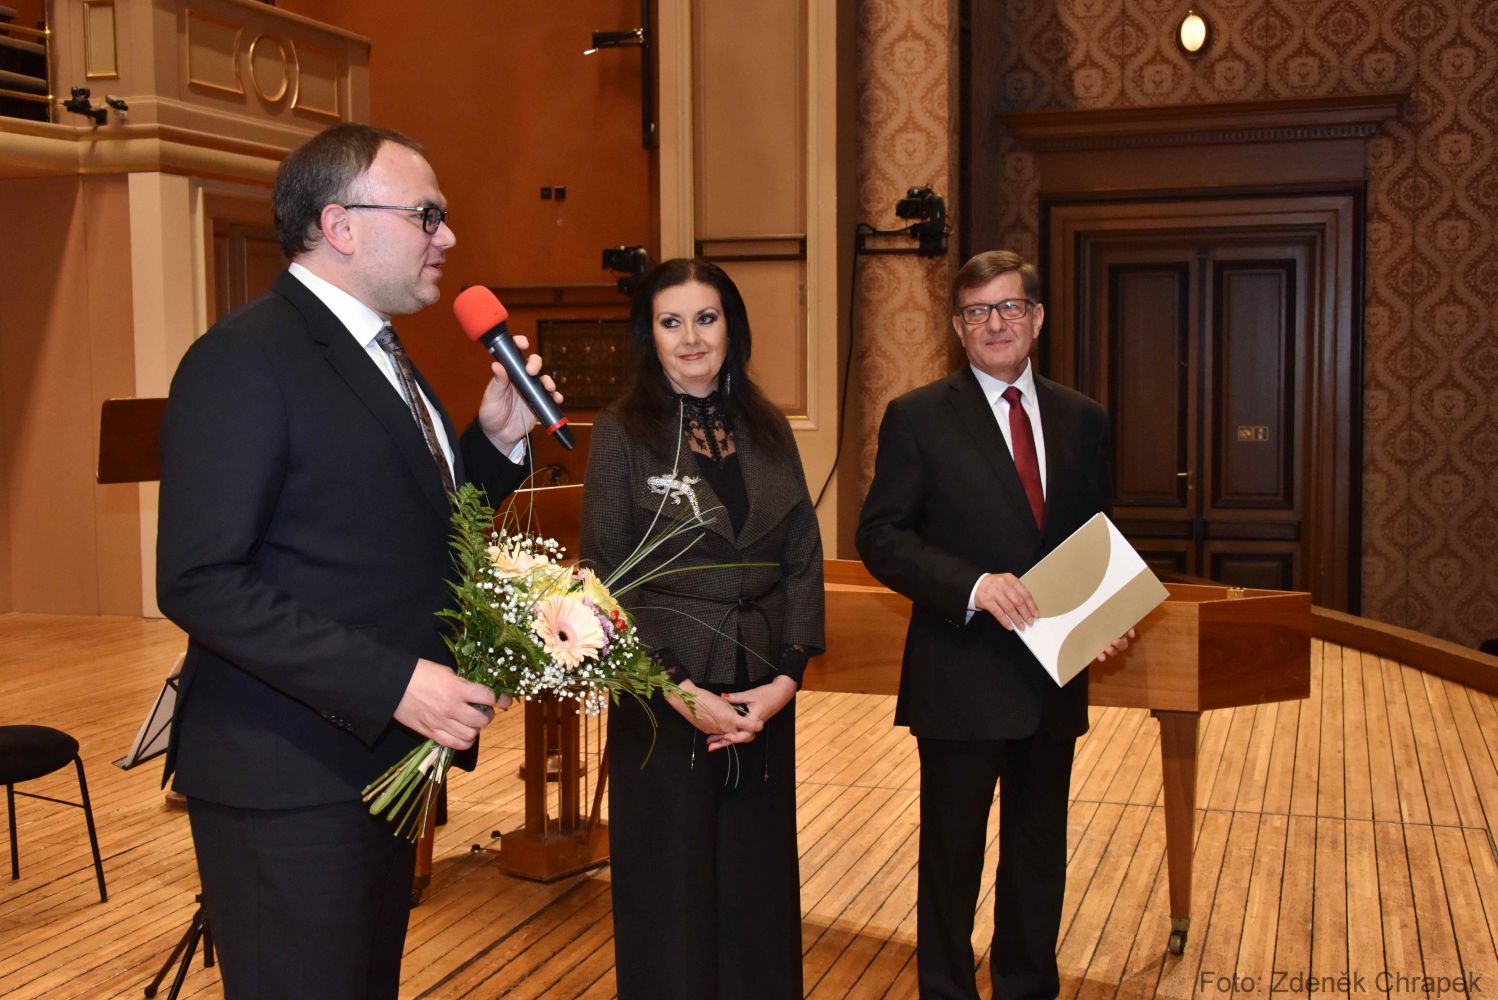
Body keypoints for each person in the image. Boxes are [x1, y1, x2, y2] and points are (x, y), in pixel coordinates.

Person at [155, 123, 561, 1000]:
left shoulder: (380, 352)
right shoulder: (244, 357)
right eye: (427, 215)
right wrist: (394, 684)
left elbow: (404, 530)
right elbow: (199, 580)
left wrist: (492, 446)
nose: (447, 236)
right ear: (339, 226)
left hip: (369, 770)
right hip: (286, 778)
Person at [856, 250, 1132, 1000]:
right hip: (960, 677)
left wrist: (1108, 614)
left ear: (1036, 318)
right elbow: (880, 537)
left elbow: (1098, 533)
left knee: (1038, 859)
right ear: (958, 328)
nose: (995, 323)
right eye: (977, 311)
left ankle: (1026, 987)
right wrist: (973, 586)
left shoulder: (1084, 419)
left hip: (1052, 679)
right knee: (952, 862)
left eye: (1009, 307)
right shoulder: (917, 417)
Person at [579, 258, 824, 1000]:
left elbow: (803, 556)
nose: (691, 338)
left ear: (731, 328)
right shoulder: (621, 433)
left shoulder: (769, 427)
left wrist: (787, 677)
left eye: (706, 318)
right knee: (671, 894)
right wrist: (677, 688)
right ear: (648, 335)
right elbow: (604, 575)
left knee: (757, 888)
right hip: (664, 694)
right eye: (671, 321)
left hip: (760, 695)